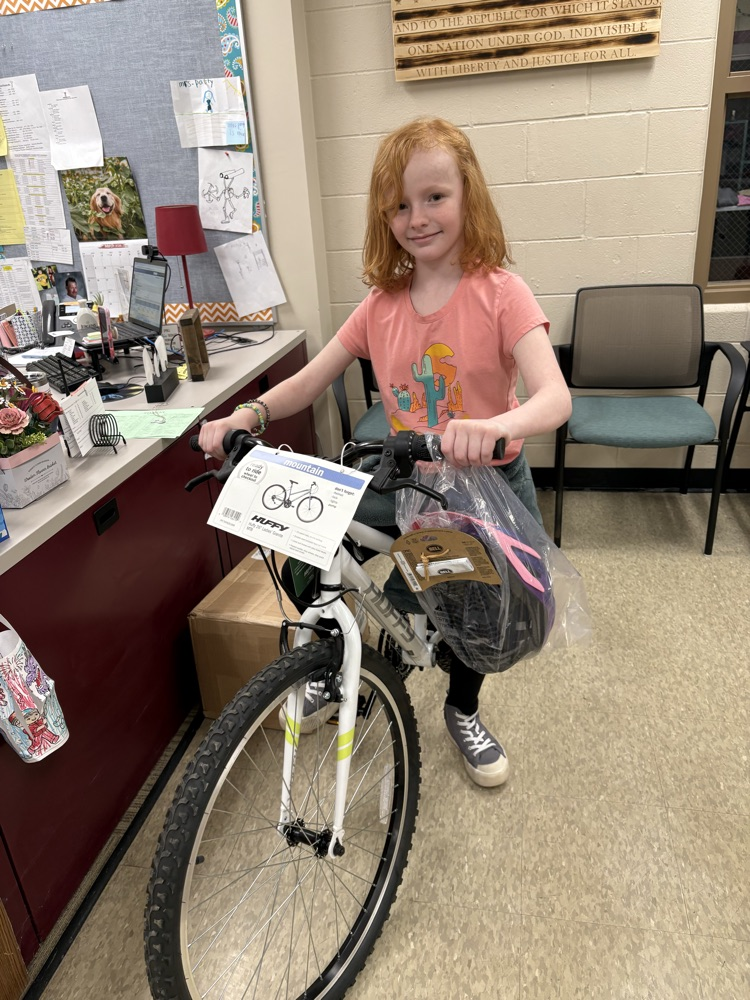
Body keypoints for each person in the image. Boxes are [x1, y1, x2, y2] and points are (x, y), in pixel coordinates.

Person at [199, 117, 572, 788]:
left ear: (468, 195)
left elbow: (554, 397)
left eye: (435, 197)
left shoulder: (500, 292)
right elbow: (311, 381)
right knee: (312, 543)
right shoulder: (381, 304)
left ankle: (462, 708)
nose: (417, 217)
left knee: (482, 614)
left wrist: (492, 424)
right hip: (405, 474)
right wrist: (247, 411)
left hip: (483, 479)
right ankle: (333, 666)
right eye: (399, 205)